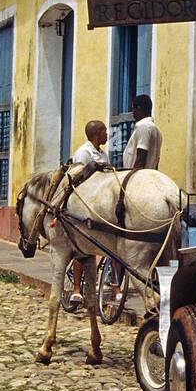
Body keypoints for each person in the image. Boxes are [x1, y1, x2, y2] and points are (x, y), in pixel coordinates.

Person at [65, 120, 109, 307]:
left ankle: (114, 286)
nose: (107, 134)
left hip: (99, 202)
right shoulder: (84, 152)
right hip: (84, 202)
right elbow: (78, 178)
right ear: (97, 133)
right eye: (105, 131)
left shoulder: (103, 153)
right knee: (81, 249)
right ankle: (76, 289)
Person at [122, 94, 162, 170]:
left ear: (139, 108)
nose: (133, 112)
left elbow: (141, 158)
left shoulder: (143, 126)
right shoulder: (156, 129)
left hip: (139, 176)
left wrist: (131, 178)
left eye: (133, 109)